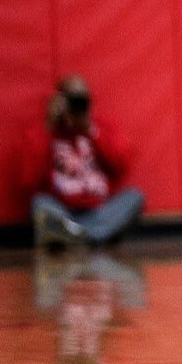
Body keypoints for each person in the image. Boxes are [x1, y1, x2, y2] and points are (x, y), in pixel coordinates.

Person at [19, 75, 145, 247]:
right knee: (39, 203)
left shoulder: (103, 127)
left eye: (82, 100)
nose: (77, 106)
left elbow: (121, 166)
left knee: (134, 197)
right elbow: (29, 179)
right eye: (72, 100)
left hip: (99, 211)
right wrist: (49, 126)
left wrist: (90, 131)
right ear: (58, 100)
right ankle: (90, 237)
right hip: (62, 211)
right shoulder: (45, 132)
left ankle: (74, 236)